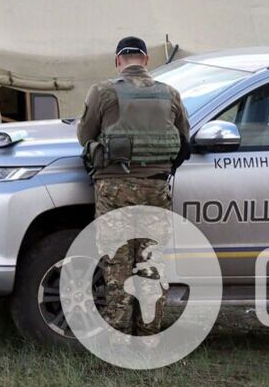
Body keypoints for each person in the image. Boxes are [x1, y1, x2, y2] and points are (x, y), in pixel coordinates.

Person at [75, 36, 189, 337]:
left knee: (117, 266)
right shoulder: (170, 94)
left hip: (114, 189)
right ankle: (149, 340)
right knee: (152, 265)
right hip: (155, 188)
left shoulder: (103, 92)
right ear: (146, 60)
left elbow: (85, 135)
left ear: (118, 61)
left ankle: (118, 343)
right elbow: (184, 140)